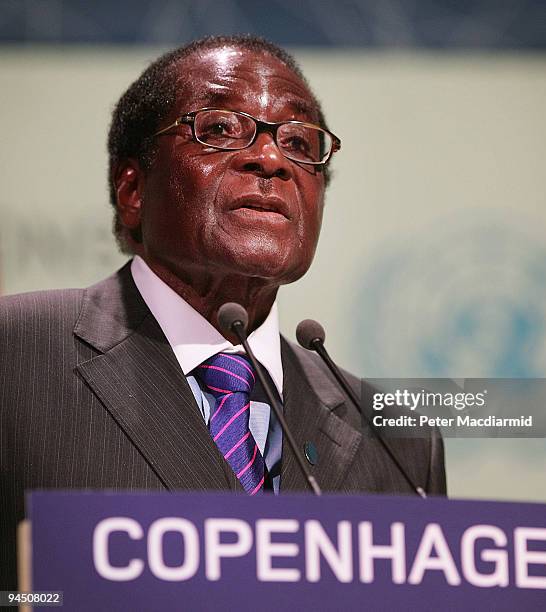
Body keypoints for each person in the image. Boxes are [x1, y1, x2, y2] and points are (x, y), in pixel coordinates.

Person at [0, 35, 445, 590]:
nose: (270, 158)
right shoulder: (14, 356)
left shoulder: (398, 442)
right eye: (219, 129)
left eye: (300, 142)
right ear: (133, 189)